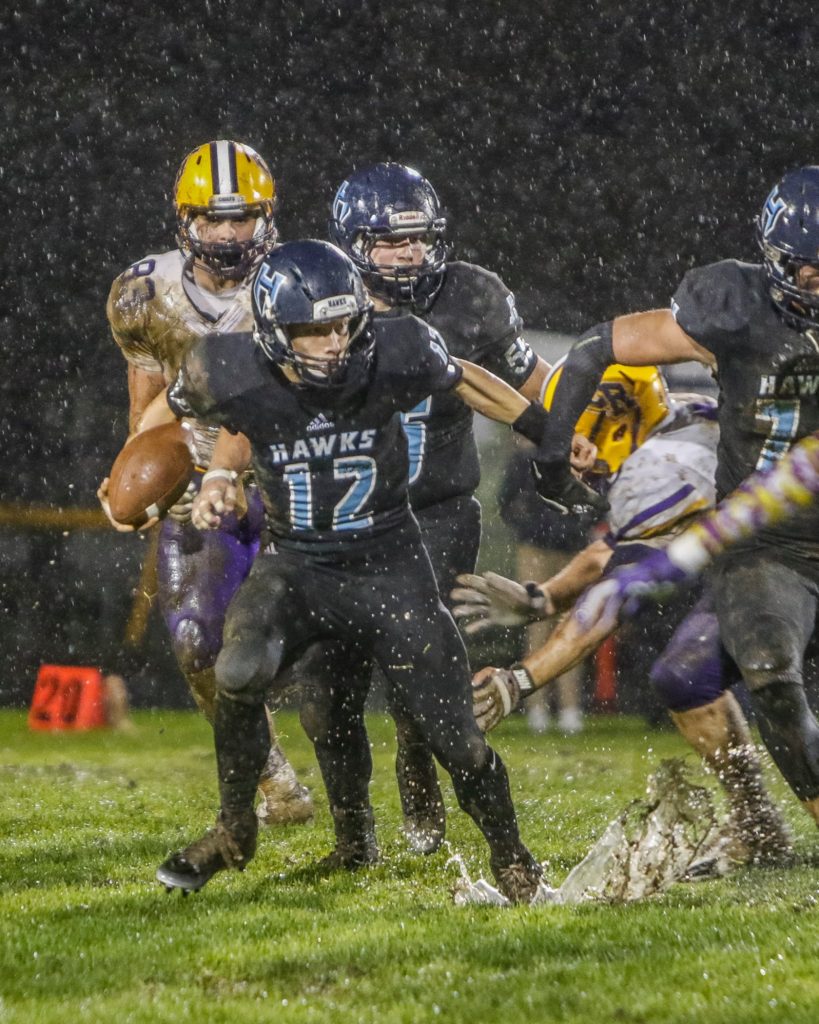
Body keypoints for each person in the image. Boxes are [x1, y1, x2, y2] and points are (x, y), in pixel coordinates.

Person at [153, 239, 550, 902]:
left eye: (342, 325)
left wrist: (547, 429)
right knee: (242, 672)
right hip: (298, 565)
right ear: (275, 333)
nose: (333, 344)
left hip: (388, 563)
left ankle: (514, 860)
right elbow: (215, 412)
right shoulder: (224, 366)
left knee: (452, 733)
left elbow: (464, 377)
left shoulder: (397, 348)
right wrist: (218, 474)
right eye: (314, 331)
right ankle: (235, 829)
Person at [530, 165, 819, 829]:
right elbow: (600, 344)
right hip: (766, 546)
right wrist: (551, 451)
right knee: (769, 670)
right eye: (808, 270)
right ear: (776, 263)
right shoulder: (733, 305)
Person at [327, 162, 591, 850]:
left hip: (437, 508)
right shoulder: (319, 296)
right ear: (352, 243)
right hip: (343, 515)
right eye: (389, 241)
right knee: (329, 688)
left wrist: (574, 430)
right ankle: (351, 830)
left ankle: (418, 786)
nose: (408, 254)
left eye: (418, 239)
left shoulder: (470, 295)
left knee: (421, 670)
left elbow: (527, 377)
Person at [454, 364, 792, 863]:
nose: (575, 459)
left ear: (612, 419)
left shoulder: (661, 467)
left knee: (772, 702)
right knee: (685, 678)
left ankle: (763, 821)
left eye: (578, 437)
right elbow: (607, 553)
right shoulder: (676, 418)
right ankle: (757, 821)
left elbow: (610, 596)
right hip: (770, 561)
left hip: (790, 568)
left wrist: (522, 680)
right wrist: (541, 599)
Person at [99, 140, 312, 825]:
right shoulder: (143, 293)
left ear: (267, 217)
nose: (226, 233)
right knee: (196, 639)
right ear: (183, 219)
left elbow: (280, 393)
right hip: (197, 466)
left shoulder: (297, 283)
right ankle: (270, 774)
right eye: (212, 219)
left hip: (290, 465)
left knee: (310, 645)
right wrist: (134, 472)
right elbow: (152, 395)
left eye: (241, 218)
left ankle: (367, 798)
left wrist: (233, 464)